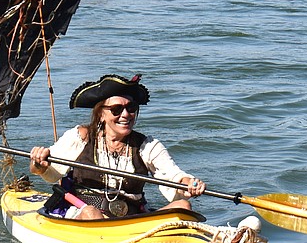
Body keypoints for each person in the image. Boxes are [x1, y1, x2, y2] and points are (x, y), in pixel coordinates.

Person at [28, 73, 206, 220]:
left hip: (131, 219)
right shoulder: (81, 137)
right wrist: (38, 164)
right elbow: (49, 173)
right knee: (92, 214)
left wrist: (189, 183)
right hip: (84, 214)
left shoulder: (148, 146)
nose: (126, 115)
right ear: (101, 114)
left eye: (131, 108)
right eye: (116, 110)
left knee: (183, 206)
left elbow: (173, 175)